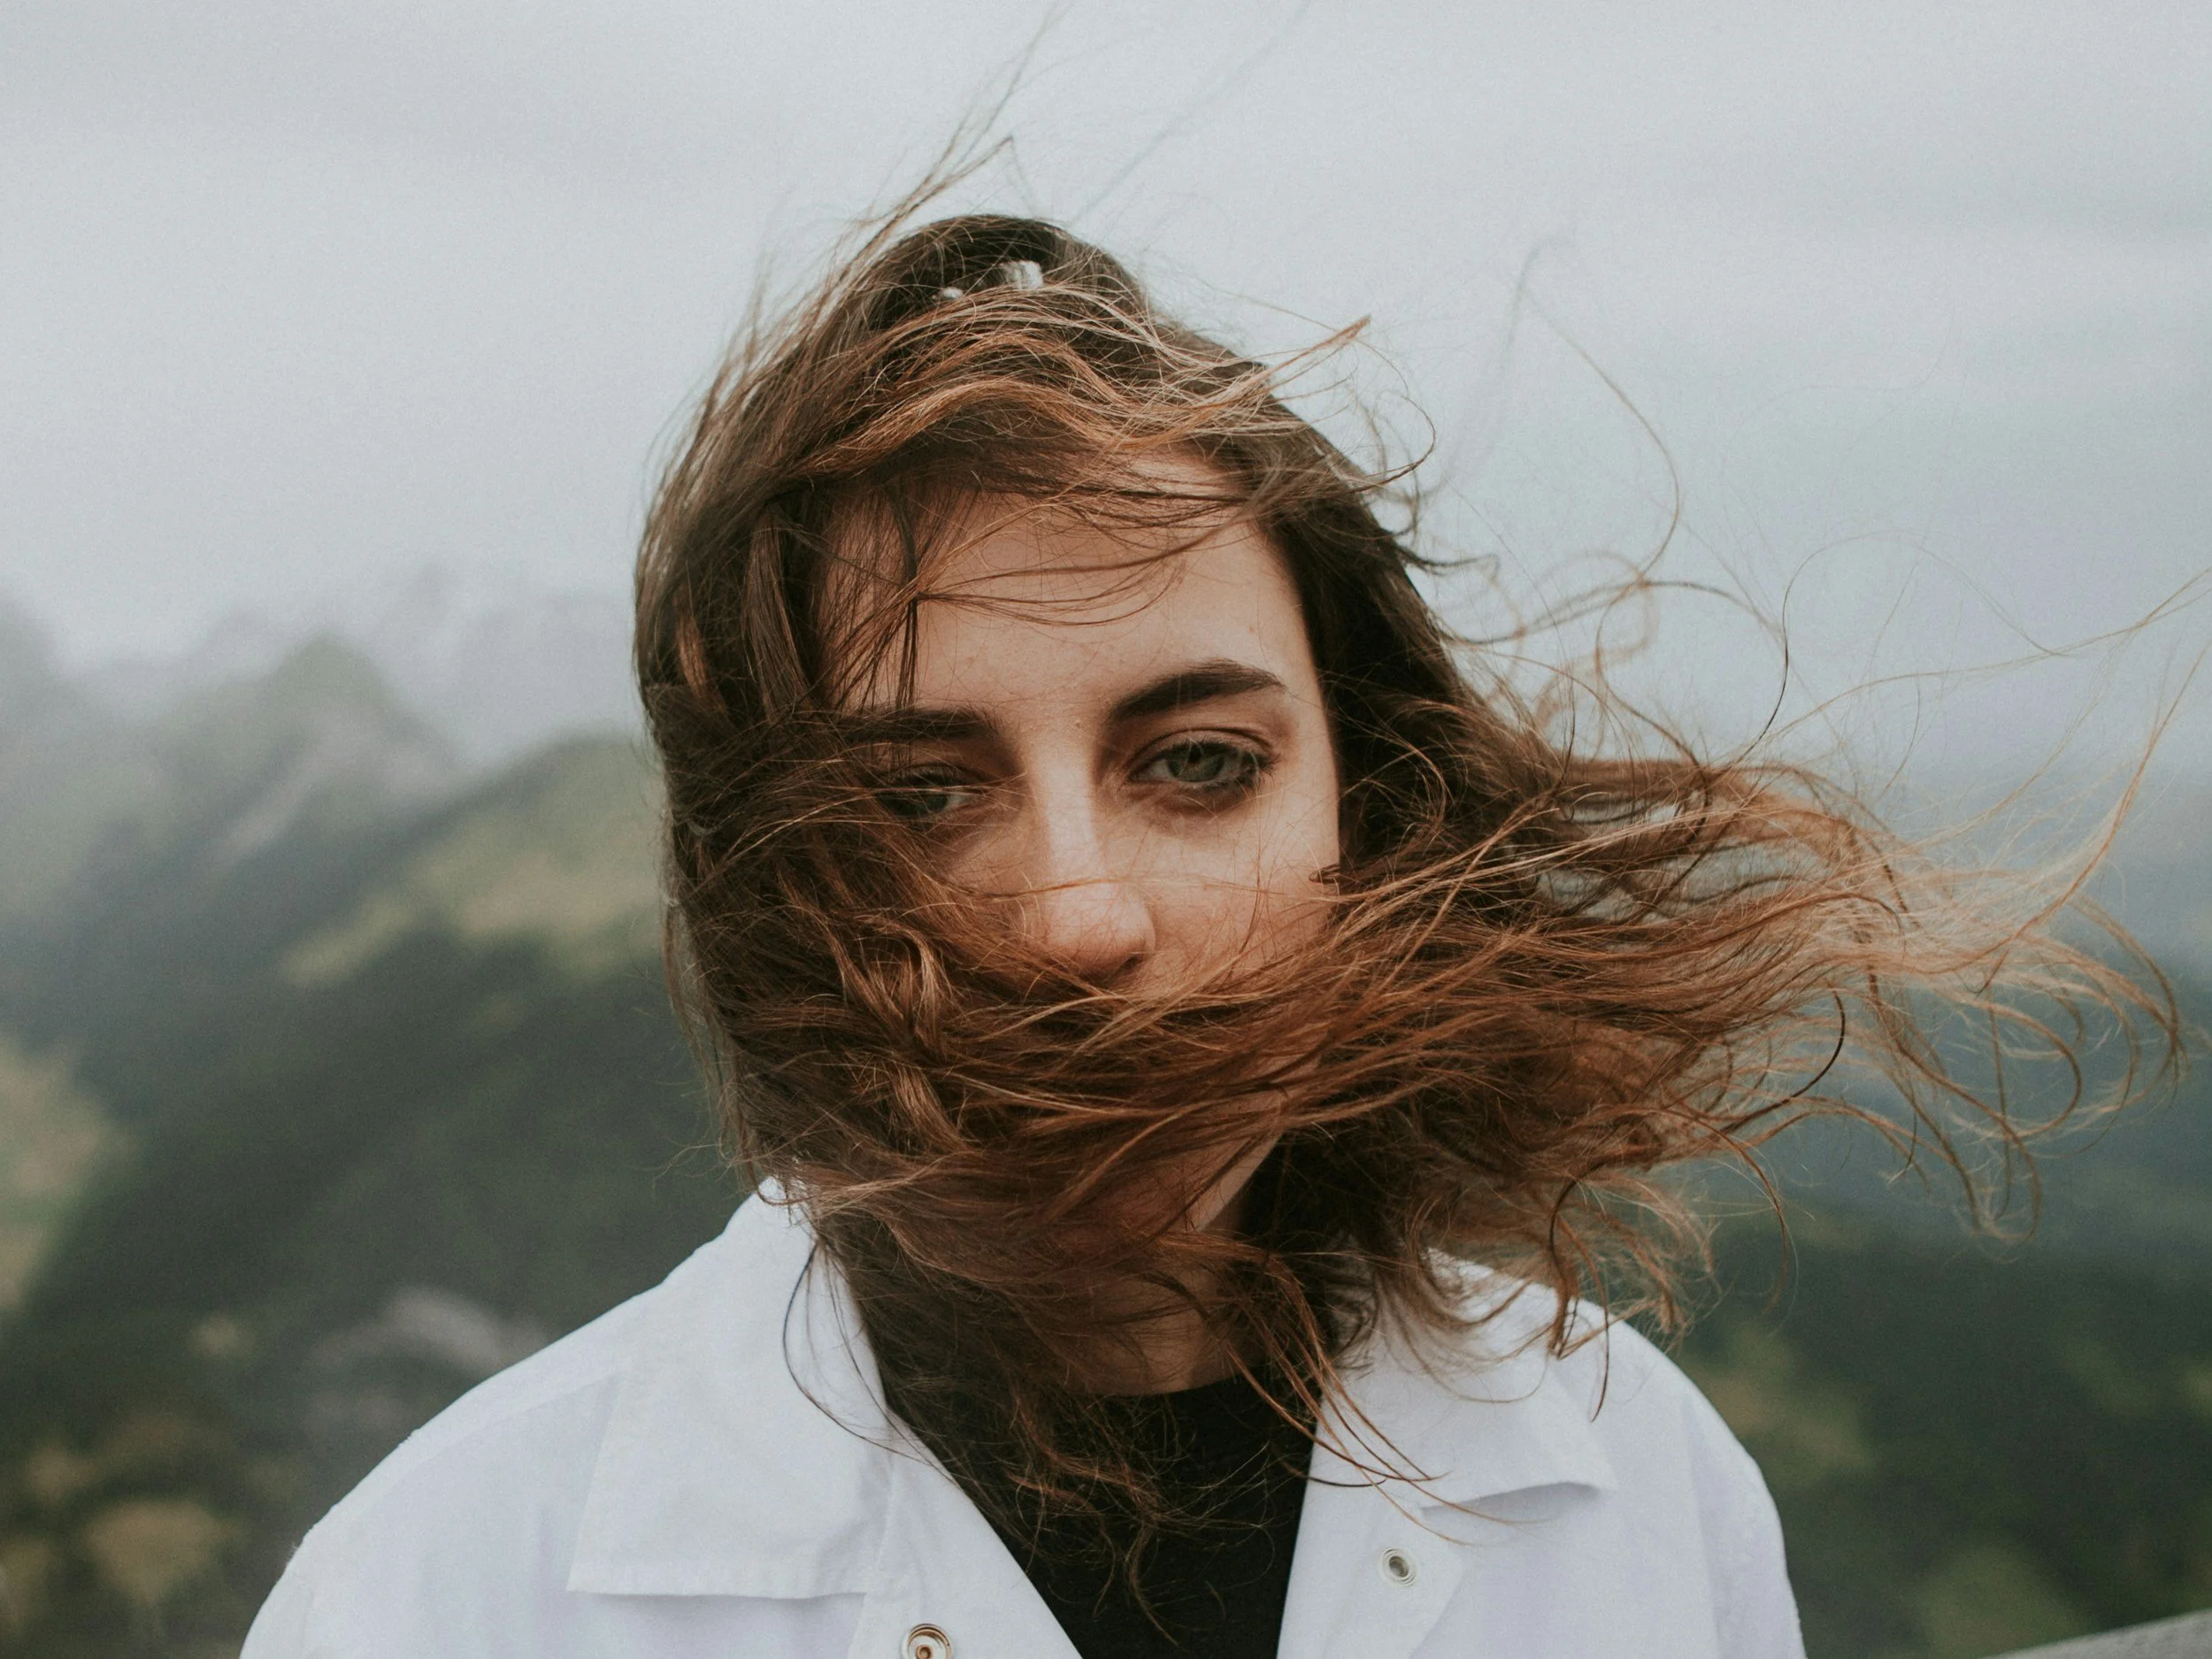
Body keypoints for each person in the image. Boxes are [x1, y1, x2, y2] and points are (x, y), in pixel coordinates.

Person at [242, 209, 2159, 1659]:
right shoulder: (437, 1592)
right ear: (763, 884)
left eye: (1200, 761)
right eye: (916, 795)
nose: (1077, 916)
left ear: (1360, 807)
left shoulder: (1635, 1489)